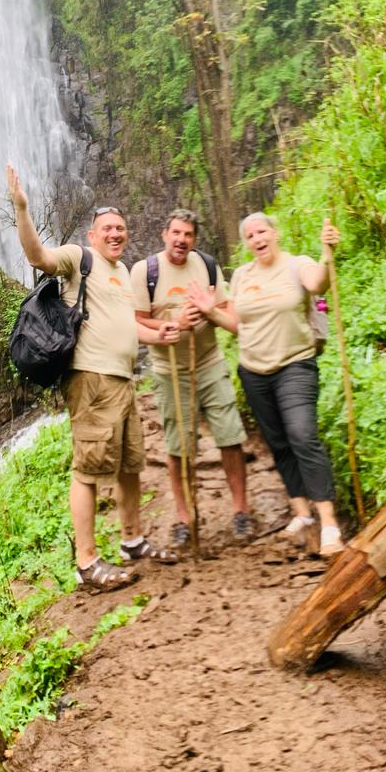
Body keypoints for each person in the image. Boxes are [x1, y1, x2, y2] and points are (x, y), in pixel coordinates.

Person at [7, 164, 181, 591]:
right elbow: (37, 257)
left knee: (129, 465)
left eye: (120, 228)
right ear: (93, 235)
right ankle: (86, 562)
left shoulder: (122, 273)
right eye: (107, 228)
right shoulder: (78, 259)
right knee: (87, 469)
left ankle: (132, 540)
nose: (115, 234)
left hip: (122, 379)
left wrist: (160, 333)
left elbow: (128, 326)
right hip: (91, 379)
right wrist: (22, 209)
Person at [187, 213, 344, 557]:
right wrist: (211, 311)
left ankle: (329, 522)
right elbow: (238, 324)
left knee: (303, 435)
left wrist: (326, 251)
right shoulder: (242, 275)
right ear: (246, 243)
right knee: (278, 442)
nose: (257, 239)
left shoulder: (297, 265)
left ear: (275, 233)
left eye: (262, 232)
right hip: (254, 371)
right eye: (250, 235)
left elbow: (318, 284)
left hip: (295, 364)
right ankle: (301, 513)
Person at [131, 210, 251, 547]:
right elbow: (136, 319)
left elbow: (227, 312)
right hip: (170, 370)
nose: (181, 240)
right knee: (178, 446)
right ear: (164, 234)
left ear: (195, 239)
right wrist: (174, 324)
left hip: (210, 363)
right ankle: (184, 518)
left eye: (188, 235)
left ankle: (241, 511)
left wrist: (208, 311)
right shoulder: (145, 272)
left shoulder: (207, 266)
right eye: (176, 233)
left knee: (230, 436)